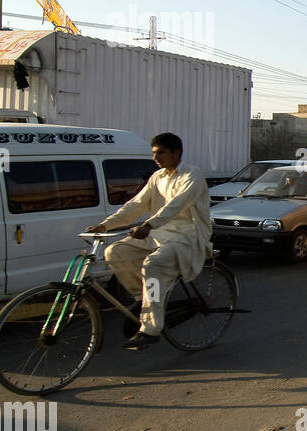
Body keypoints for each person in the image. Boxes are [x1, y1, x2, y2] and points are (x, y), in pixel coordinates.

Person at [86, 132, 212, 350]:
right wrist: (106, 225)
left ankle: (151, 330)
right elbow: (136, 204)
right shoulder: (157, 177)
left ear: (176, 153)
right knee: (115, 252)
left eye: (161, 152)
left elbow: (176, 205)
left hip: (187, 235)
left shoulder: (193, 175)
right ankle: (143, 299)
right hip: (159, 232)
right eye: (154, 153)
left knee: (152, 264)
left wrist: (148, 225)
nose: (156, 157)